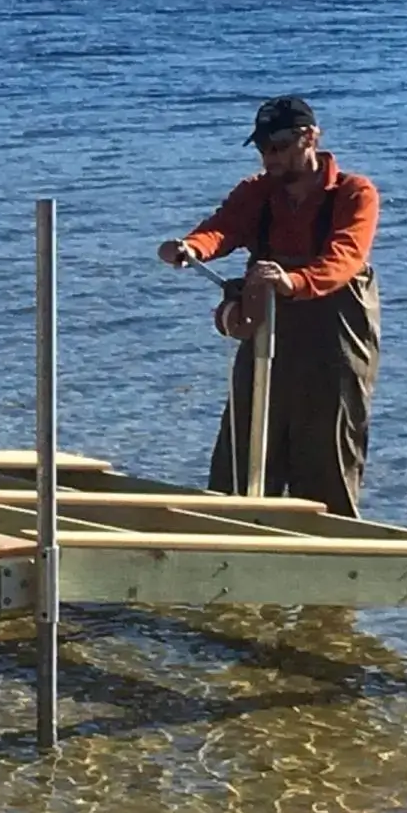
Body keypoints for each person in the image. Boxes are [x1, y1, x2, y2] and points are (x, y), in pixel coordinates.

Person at [157, 95, 381, 517]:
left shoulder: (354, 193)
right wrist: (190, 248)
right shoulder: (257, 191)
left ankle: (330, 560)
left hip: (334, 336)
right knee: (242, 451)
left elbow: (345, 259)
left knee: (326, 459)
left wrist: (293, 281)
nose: (269, 157)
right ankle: (229, 542)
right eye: (262, 148)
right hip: (267, 327)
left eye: (278, 146)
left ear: (310, 137)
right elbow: (222, 228)